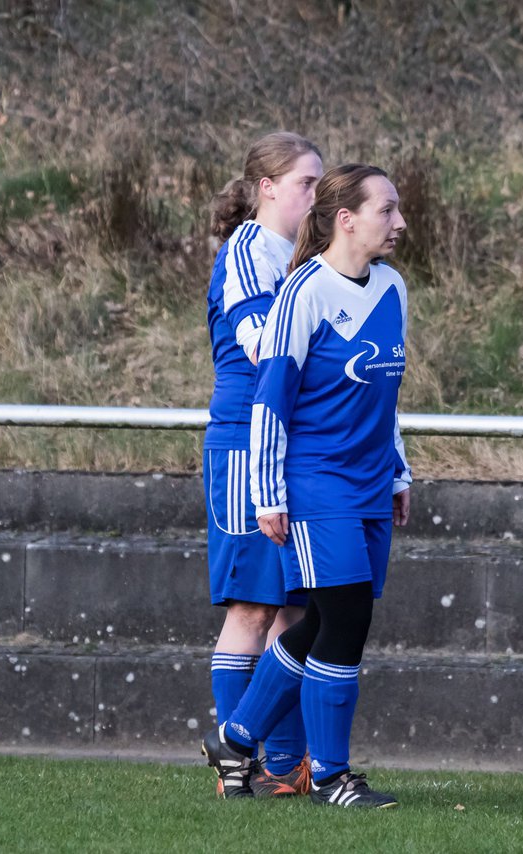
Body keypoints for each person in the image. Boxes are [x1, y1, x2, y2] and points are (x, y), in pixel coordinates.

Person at [202, 163, 411, 809]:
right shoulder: (303, 291)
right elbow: (271, 401)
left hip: (372, 480)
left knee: (321, 618)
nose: (400, 223)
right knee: (346, 621)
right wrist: (269, 494)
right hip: (318, 481)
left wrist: (400, 469)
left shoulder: (394, 288)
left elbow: (385, 394)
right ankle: (331, 778)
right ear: (347, 219)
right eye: (388, 210)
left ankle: (237, 739)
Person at [203, 131, 324, 798]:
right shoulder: (251, 250)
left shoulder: (303, 260)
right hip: (247, 446)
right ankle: (235, 760)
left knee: (296, 608)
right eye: (306, 183)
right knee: (253, 607)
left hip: (289, 444)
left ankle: (284, 765)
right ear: (268, 187)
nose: (316, 195)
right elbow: (260, 348)